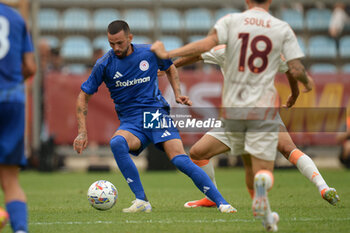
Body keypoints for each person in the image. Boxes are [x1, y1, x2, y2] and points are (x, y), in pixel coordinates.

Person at [152, 0, 313, 231]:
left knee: (243, 166)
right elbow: (295, 70)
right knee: (263, 171)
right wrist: (306, 83)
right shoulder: (280, 29)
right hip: (263, 113)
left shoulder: (230, 23)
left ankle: (266, 217)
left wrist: (169, 55)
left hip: (235, 113)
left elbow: (204, 46)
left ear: (247, 1)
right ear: (269, 2)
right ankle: (262, 194)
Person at [73, 20, 236, 214]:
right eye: (111, 44)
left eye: (120, 43)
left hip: (155, 115)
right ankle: (141, 201)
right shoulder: (104, 64)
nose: (116, 48)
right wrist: (82, 131)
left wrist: (177, 93)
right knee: (117, 143)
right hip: (131, 121)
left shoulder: (148, 53)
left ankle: (222, 203)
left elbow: (170, 67)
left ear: (130, 38)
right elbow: (83, 95)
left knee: (178, 159)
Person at [172, 45, 339, 208]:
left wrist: (171, 65)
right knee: (289, 150)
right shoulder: (269, 51)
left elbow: (197, 54)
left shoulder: (225, 49)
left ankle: (218, 198)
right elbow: (291, 69)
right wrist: (295, 93)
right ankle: (323, 187)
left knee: (198, 153)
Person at [0, 2, 36, 233]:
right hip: (12, 100)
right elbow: (30, 67)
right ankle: (20, 230)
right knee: (11, 180)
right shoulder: (15, 18)